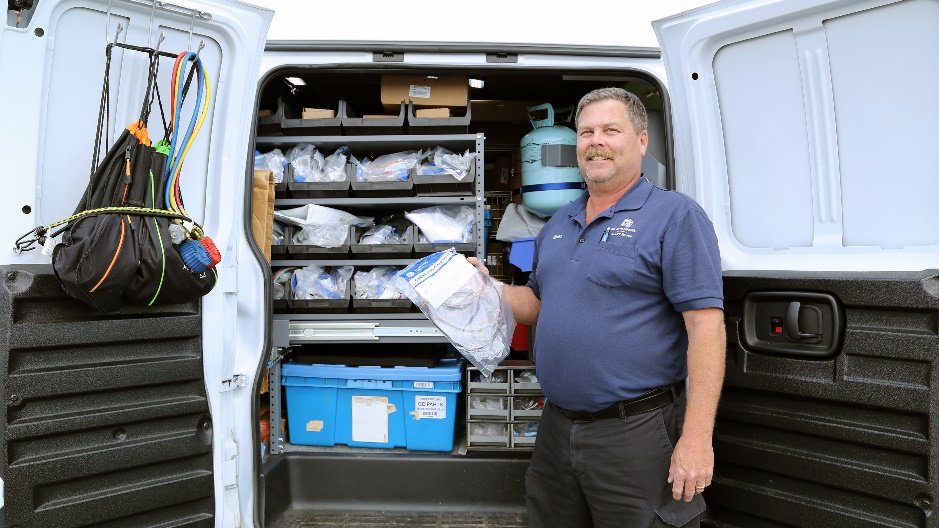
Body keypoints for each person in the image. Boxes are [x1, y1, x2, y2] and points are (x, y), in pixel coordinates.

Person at [470, 87, 725, 527]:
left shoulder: (675, 215)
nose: (596, 142)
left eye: (611, 130)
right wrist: (484, 286)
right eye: (586, 133)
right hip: (557, 429)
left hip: (636, 433)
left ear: (641, 141)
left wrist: (698, 437)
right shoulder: (559, 222)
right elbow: (536, 304)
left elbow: (706, 327)